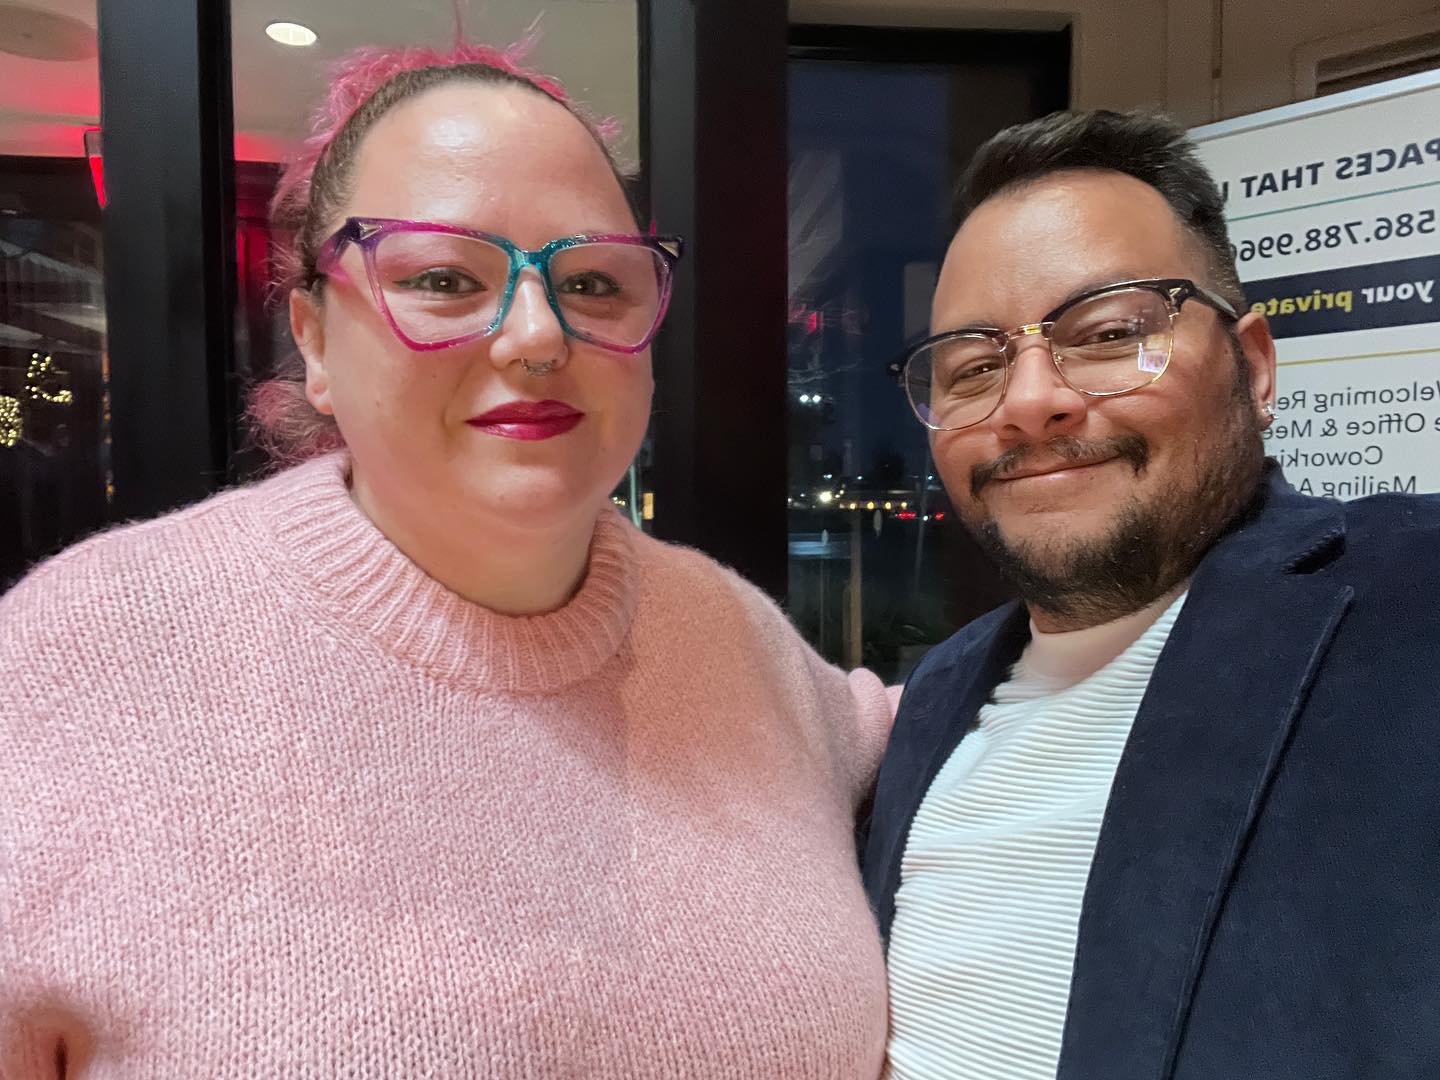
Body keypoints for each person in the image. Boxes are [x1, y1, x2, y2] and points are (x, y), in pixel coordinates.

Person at [0, 42, 892, 1078]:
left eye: (594, 281)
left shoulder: (742, 647)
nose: (534, 334)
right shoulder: (78, 659)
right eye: (440, 277)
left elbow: (1007, 749)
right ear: (316, 343)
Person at [862, 109, 1440, 1080]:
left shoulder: (1409, 608)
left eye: (1108, 333)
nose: (1030, 399)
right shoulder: (936, 698)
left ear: (1252, 365)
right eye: (973, 365)